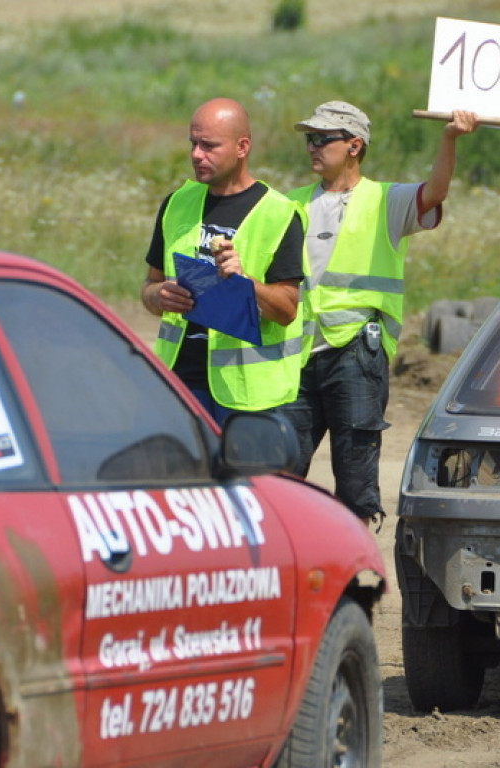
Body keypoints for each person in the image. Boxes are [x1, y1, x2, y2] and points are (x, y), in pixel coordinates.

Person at [283, 100, 478, 527]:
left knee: (355, 480)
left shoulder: (385, 200)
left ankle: (355, 575)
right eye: (309, 139)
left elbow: (436, 191)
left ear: (354, 145)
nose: (312, 147)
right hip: (297, 357)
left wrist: (449, 139)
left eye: (322, 139)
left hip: (356, 354)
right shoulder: (290, 204)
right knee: (283, 473)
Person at [141, 97, 306, 427]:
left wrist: (246, 282)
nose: (196, 155)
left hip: (246, 396)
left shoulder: (279, 213)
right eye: (193, 143)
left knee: (243, 481)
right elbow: (149, 288)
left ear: (242, 147)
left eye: (209, 146)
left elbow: (287, 310)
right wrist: (159, 296)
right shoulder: (177, 204)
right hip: (180, 381)